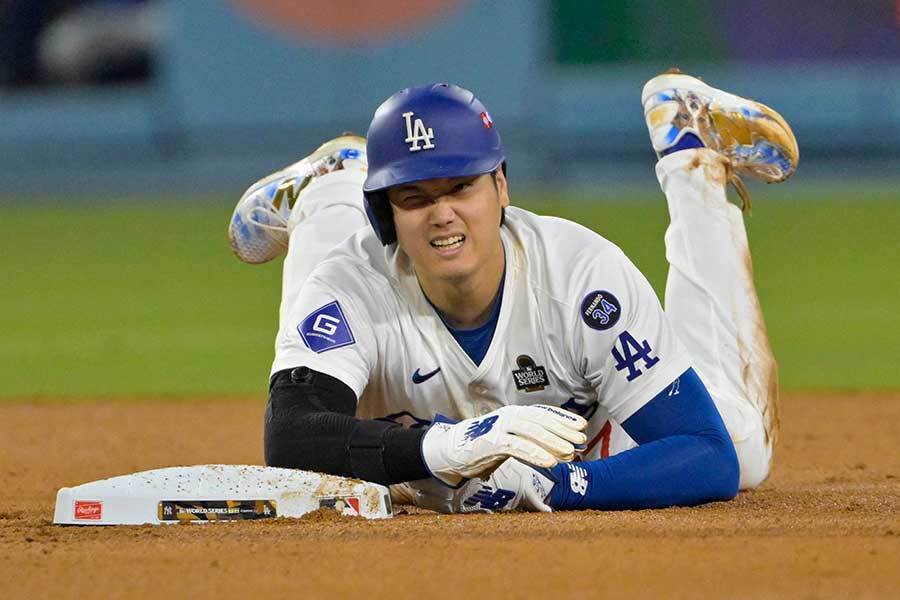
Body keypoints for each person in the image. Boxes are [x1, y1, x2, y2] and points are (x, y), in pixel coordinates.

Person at [227, 71, 797, 512]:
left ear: (500, 185)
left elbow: (708, 454)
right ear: (385, 213)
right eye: (414, 197)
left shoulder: (579, 276)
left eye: (461, 186)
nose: (442, 213)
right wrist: (450, 447)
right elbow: (291, 439)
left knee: (745, 449)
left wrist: (558, 484)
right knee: (334, 290)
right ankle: (331, 192)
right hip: (414, 417)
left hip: (590, 440)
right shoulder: (354, 282)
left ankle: (692, 153)